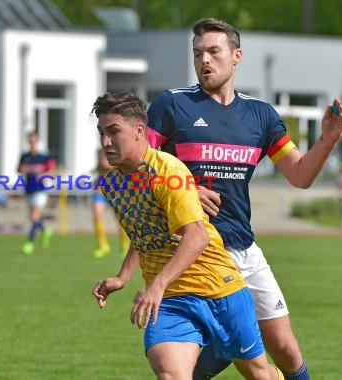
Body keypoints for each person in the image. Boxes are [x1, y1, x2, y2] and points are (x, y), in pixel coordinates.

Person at [146, 18, 342, 380]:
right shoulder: (171, 106)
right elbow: (139, 170)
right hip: (196, 252)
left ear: (236, 56)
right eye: (197, 53)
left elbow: (299, 175)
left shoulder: (261, 116)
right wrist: (184, 189)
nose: (204, 60)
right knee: (206, 363)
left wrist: (327, 141)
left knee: (285, 349)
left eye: (213, 51)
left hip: (244, 249)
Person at [91, 91, 284, 380]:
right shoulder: (113, 185)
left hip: (220, 290)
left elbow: (197, 236)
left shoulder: (168, 171)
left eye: (114, 132)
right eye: (102, 133)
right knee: (172, 375)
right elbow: (145, 231)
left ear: (139, 131)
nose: (106, 142)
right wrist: (123, 277)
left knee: (261, 375)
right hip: (171, 301)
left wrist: (156, 285)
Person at [17, 131, 56, 255]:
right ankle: (45, 230)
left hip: (40, 190)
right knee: (33, 217)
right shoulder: (25, 156)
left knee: (34, 216)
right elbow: (18, 169)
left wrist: (43, 175)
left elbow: (52, 171)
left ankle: (30, 243)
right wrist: (23, 169)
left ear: (37, 140)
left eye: (34, 139)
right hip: (29, 189)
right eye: (30, 139)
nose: (32, 142)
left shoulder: (44, 157)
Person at [92, 148, 130, 258]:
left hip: (115, 189)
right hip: (100, 188)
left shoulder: (119, 151)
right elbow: (101, 167)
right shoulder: (100, 151)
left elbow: (110, 166)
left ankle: (124, 244)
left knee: (120, 218)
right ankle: (103, 246)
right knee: (97, 215)